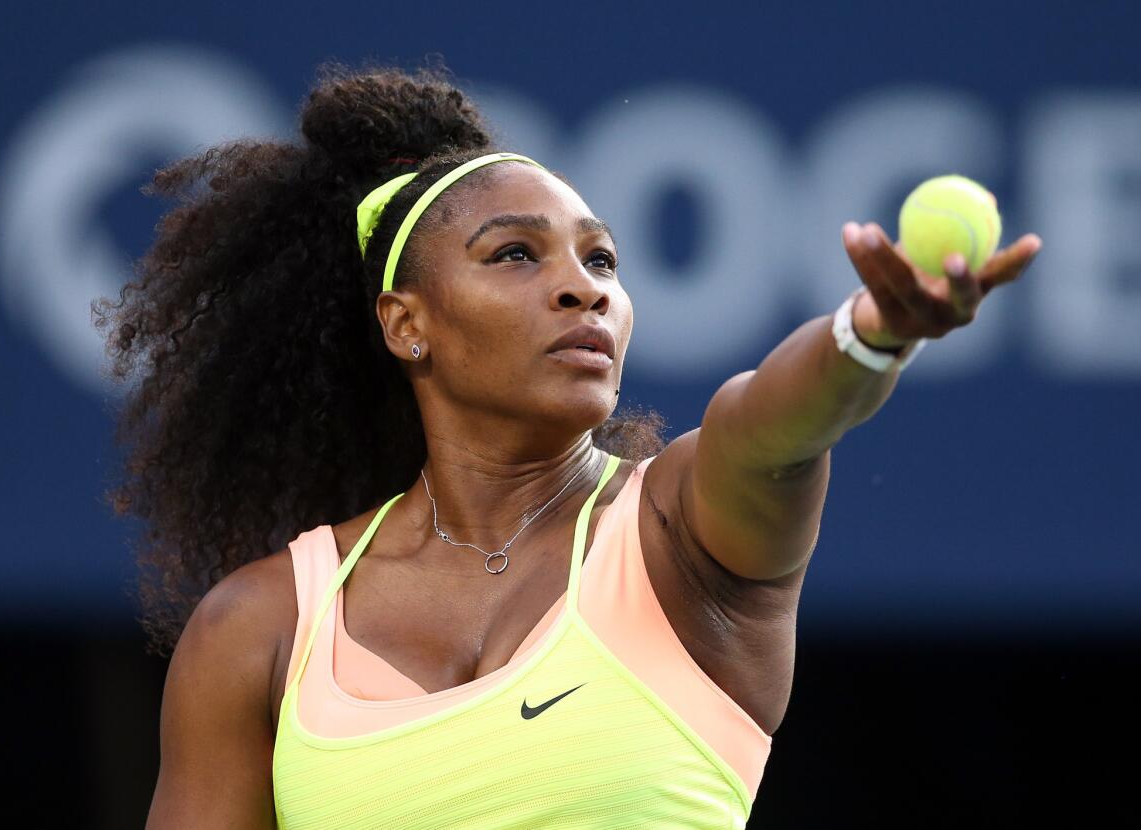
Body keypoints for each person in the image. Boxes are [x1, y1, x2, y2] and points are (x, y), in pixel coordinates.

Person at [94, 62, 1041, 828]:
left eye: (602, 260)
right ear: (406, 324)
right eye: (516, 254)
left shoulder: (679, 538)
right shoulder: (259, 629)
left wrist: (870, 333)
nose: (584, 288)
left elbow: (776, 426)